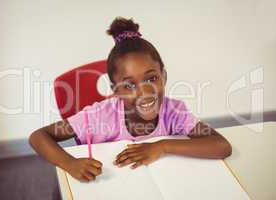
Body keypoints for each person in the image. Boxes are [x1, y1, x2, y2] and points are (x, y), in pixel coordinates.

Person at [29, 17, 232, 183]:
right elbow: (39, 136)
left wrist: (162, 146)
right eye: (129, 85)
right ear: (115, 90)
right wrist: (70, 163)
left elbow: (221, 145)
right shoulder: (98, 116)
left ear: (164, 76)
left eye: (152, 78)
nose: (144, 92)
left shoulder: (174, 112)